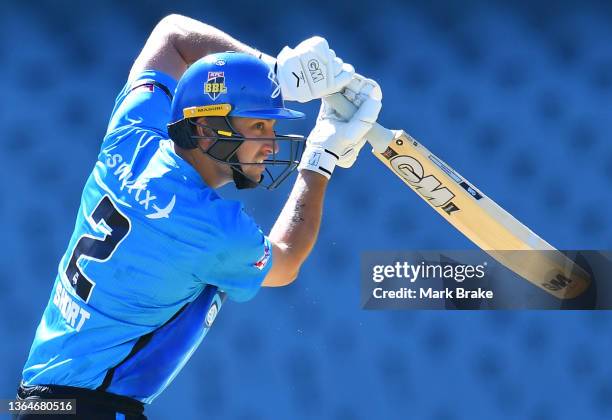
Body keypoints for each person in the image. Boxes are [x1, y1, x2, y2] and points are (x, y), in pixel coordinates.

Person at [14, 14, 381, 420]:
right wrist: (320, 160)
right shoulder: (212, 229)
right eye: (258, 125)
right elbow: (287, 259)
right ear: (205, 131)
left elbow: (171, 35)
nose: (271, 143)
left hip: (41, 403)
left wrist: (275, 75)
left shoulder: (132, 134)